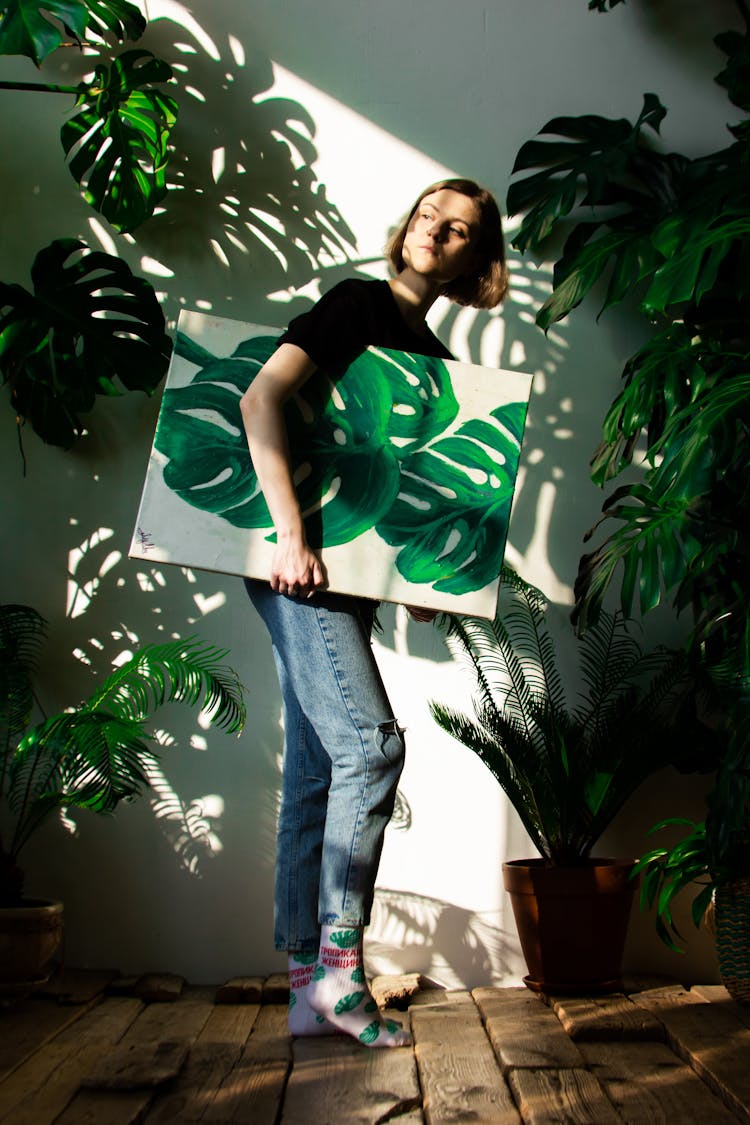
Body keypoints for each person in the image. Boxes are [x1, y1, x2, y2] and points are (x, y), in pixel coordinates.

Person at [240, 178, 508, 1048]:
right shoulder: (357, 303)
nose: (437, 229)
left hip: (333, 568)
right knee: (373, 747)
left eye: (460, 228)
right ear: (408, 224)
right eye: (431, 212)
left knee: (320, 767)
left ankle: (302, 985)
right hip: (295, 558)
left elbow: (382, 491)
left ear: (476, 262)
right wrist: (289, 535)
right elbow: (261, 400)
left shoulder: (427, 355)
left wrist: (418, 587)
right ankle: (343, 976)